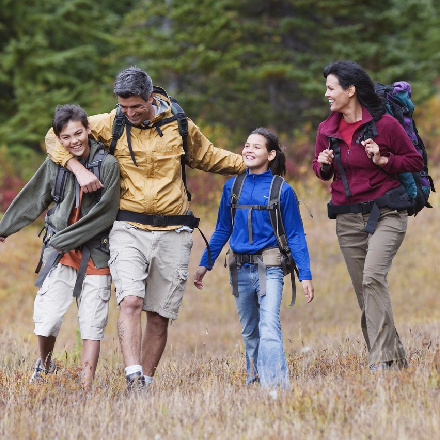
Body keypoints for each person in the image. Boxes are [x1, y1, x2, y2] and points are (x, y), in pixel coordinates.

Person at [45, 67, 246, 390]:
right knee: (131, 302)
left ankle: (145, 384)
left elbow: (210, 157)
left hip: (175, 231)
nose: (129, 113)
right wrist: (76, 167)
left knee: (159, 314)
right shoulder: (112, 122)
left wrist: (252, 164)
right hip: (128, 227)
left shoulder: (179, 124)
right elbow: (54, 135)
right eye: (123, 107)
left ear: (151, 98)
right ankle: (132, 374)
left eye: (135, 107)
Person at [312, 60, 424, 372]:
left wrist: (383, 158)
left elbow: (413, 160)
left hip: (387, 212)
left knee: (373, 277)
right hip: (347, 219)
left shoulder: (385, 125)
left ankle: (380, 362)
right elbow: (322, 172)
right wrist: (323, 164)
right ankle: (396, 359)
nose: (326, 94)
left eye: (331, 88)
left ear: (351, 90)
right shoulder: (327, 129)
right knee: (366, 293)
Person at [0, 105, 120, 388]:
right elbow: (34, 196)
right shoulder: (56, 163)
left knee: (92, 322)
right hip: (60, 255)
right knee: (47, 318)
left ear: (89, 130)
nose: (74, 141)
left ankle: (86, 386)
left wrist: (62, 240)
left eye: (79, 133)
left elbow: (106, 212)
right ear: (58, 138)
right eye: (66, 137)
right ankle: (45, 365)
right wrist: (5, 228)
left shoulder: (108, 165)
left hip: (95, 253)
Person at [193, 128, 314, 389]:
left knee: (269, 327)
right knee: (250, 331)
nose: (248, 150)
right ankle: (254, 380)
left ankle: (276, 387)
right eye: (246, 145)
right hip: (238, 268)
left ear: (271, 155)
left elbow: (295, 235)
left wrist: (305, 275)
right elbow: (223, 229)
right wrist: (205, 264)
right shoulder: (232, 186)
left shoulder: (282, 190)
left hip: (269, 267)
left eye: (256, 147)